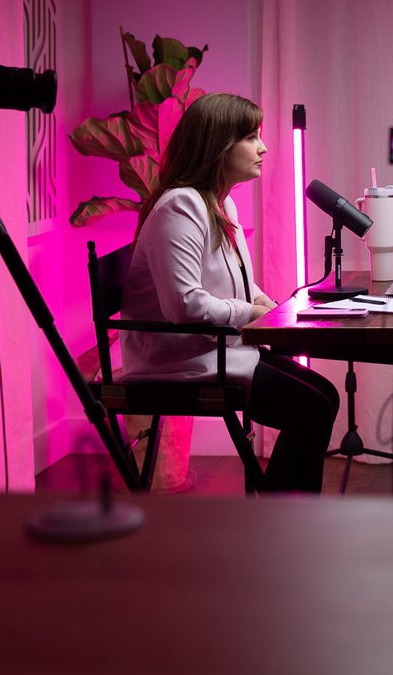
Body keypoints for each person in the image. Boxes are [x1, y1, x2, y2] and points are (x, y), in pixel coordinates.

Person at [120, 92, 339, 493]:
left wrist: (266, 304)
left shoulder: (221, 205)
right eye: (251, 138)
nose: (263, 147)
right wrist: (250, 315)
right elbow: (183, 304)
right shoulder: (180, 207)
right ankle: (285, 524)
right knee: (311, 408)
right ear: (219, 146)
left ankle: (285, 517)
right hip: (177, 361)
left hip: (215, 349)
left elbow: (237, 279)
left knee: (324, 395)